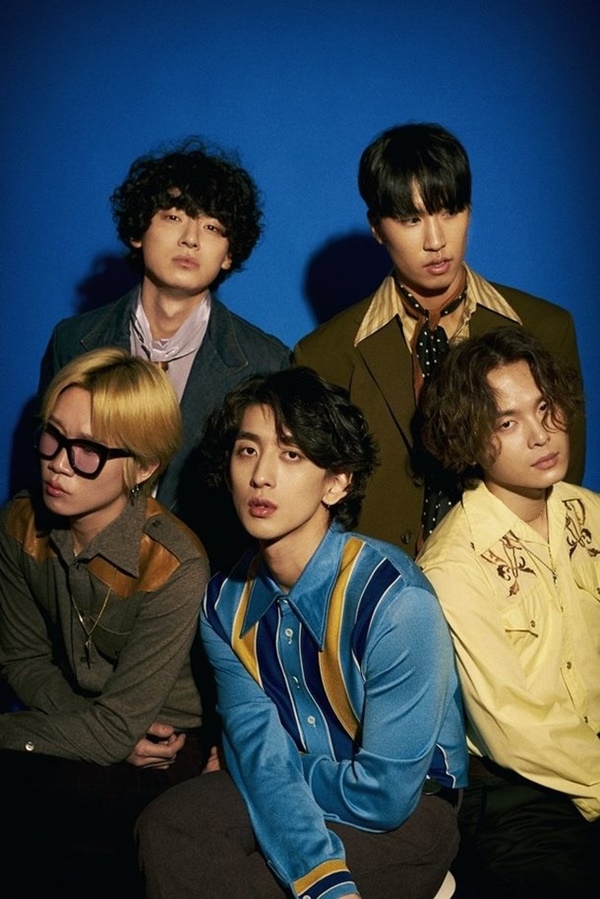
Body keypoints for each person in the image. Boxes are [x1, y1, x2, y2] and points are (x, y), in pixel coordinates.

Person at [136, 366, 468, 899]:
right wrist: (320, 873)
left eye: (291, 454)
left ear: (337, 482)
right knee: (166, 826)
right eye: (247, 450)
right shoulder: (223, 604)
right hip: (291, 787)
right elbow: (255, 744)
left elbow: (384, 797)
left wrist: (270, 776)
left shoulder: (395, 602)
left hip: (410, 812)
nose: (260, 476)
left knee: (252, 885)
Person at [294, 122, 585, 556]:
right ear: (377, 228)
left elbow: (563, 486)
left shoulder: (544, 328)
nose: (436, 241)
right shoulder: (324, 355)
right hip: (378, 583)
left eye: (450, 211)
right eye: (411, 219)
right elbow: (312, 503)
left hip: (517, 576)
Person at [0, 348, 212, 898]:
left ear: (142, 468)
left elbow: (124, 729)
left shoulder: (175, 563)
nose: (59, 463)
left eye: (89, 450)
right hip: (87, 721)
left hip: (163, 742)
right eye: (52, 436)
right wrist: (95, 728)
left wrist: (15, 733)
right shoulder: (20, 523)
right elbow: (24, 660)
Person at [38, 137, 290, 571]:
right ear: (138, 232)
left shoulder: (266, 362)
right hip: (80, 573)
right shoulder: (73, 340)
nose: (190, 239)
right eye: (173, 217)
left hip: (208, 581)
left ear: (229, 254)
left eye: (212, 228)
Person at [416, 327, 599, 897]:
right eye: (507, 423)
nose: (541, 435)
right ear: (469, 438)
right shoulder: (451, 562)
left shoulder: (591, 514)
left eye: (544, 409)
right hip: (518, 792)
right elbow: (511, 727)